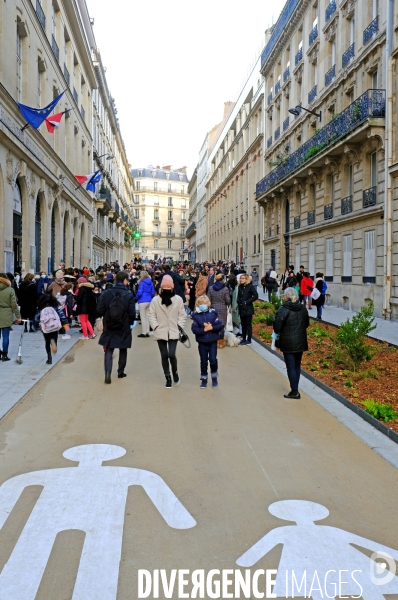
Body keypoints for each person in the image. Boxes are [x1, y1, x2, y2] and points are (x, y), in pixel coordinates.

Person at [97, 271, 136, 384]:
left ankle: (108, 372)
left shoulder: (106, 293)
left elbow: (100, 309)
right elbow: (132, 313)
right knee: (123, 348)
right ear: (125, 280)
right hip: (123, 324)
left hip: (109, 324)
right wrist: (130, 322)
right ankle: (120, 372)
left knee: (109, 348)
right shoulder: (128, 294)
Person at [148, 274, 186, 389]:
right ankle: (167, 377)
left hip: (174, 330)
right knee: (164, 355)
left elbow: (182, 315)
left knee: (171, 354)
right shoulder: (155, 300)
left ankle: (175, 372)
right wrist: (155, 326)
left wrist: (179, 326)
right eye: (165, 286)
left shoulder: (178, 299)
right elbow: (151, 315)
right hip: (161, 330)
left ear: (172, 287)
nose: (167, 288)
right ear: (161, 287)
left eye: (169, 287)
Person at [273, 287, 309, 399]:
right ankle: (295, 388)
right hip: (300, 341)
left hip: (288, 342)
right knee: (297, 365)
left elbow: (277, 327)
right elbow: (306, 323)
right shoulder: (303, 308)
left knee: (290, 366)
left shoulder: (283, 309)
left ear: (286, 297)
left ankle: (295, 391)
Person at [191, 295, 223, 389]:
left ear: (208, 304)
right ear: (198, 304)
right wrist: (204, 330)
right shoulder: (195, 315)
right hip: (202, 341)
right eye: (201, 303)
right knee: (203, 361)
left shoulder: (213, 314)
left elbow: (219, 325)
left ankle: (214, 377)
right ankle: (204, 379)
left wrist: (211, 328)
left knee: (213, 360)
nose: (203, 305)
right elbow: (194, 329)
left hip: (212, 340)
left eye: (204, 303)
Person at [34, 293, 70, 364]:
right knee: (54, 338)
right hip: (55, 326)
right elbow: (62, 315)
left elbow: (36, 318)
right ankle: (53, 343)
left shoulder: (41, 309)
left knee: (47, 342)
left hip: (45, 327)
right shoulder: (55, 307)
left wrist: (35, 326)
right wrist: (66, 324)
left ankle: (49, 358)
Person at [0, 273, 21, 361]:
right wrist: (18, 316)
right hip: (6, 313)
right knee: (5, 335)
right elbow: (14, 304)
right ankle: (5, 354)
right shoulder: (10, 290)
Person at [237, 274, 258, 345]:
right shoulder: (240, 287)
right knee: (243, 325)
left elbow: (255, 296)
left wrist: (247, 301)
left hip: (248, 309)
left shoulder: (250, 287)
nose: (241, 279)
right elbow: (239, 296)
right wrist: (238, 301)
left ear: (246, 279)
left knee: (248, 324)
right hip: (241, 308)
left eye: (243, 278)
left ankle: (249, 339)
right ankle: (243, 338)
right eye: (240, 278)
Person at [136, 271, 155, 338]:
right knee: (147, 317)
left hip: (142, 301)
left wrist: (136, 297)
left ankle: (144, 332)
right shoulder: (151, 282)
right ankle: (147, 332)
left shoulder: (141, 283)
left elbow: (140, 292)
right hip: (149, 300)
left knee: (143, 317)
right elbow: (153, 292)